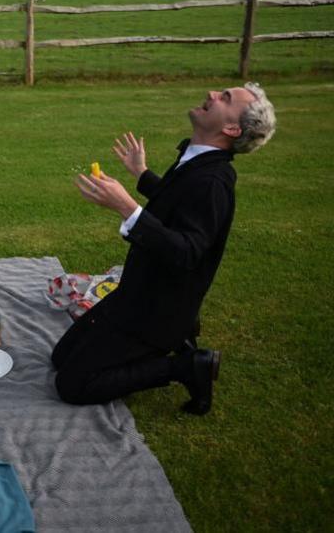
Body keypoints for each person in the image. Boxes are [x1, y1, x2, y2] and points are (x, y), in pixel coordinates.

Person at [52, 82, 276, 415]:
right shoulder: (199, 159)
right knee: (60, 357)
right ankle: (179, 342)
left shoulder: (214, 183)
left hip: (157, 313)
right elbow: (176, 203)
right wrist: (141, 174)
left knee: (71, 384)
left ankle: (184, 366)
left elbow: (187, 251)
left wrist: (128, 208)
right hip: (136, 294)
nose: (213, 93)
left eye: (225, 98)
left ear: (231, 128)